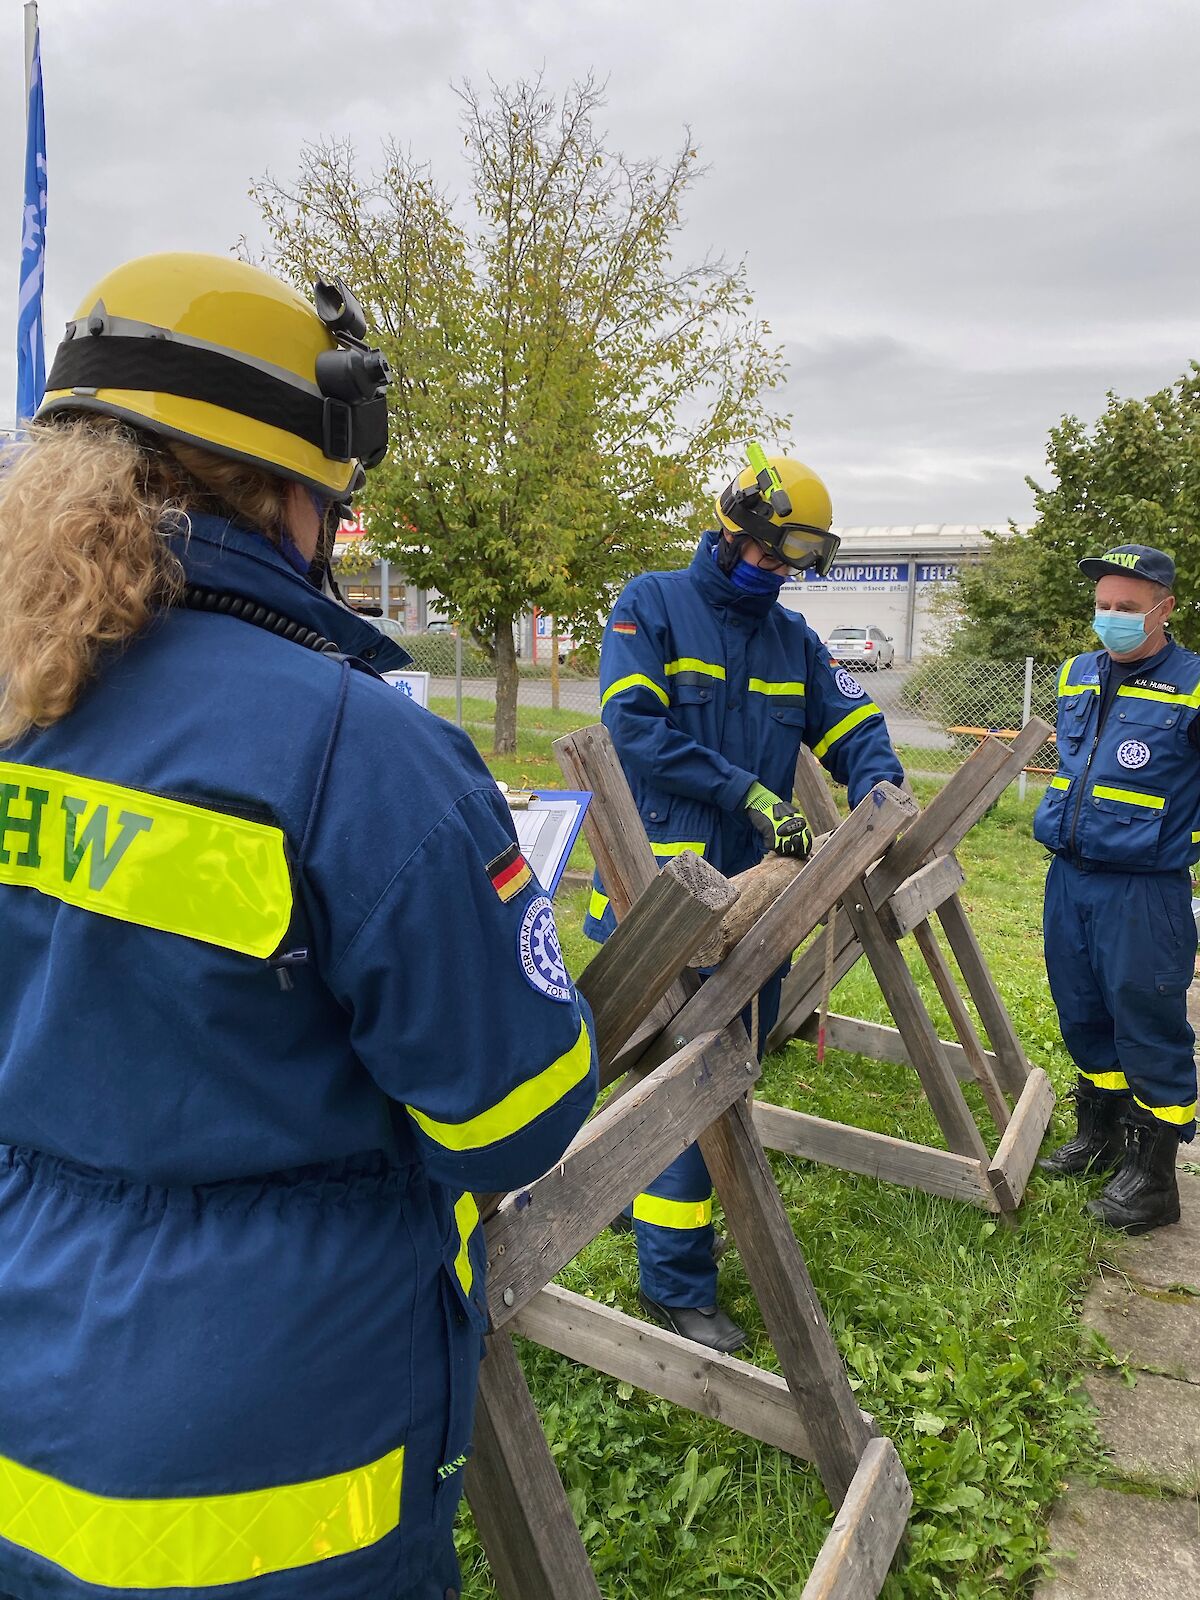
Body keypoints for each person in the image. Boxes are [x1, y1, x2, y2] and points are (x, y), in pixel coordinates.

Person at [0, 253, 598, 1600]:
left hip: (27, 1391)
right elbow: (517, 1115)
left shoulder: (21, 700)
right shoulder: (357, 747)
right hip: (275, 1471)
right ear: (292, 491)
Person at [584, 446, 904, 1352]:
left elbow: (855, 725)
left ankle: (632, 1200)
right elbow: (632, 728)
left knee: (714, 1078)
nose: (776, 577)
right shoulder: (650, 604)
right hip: (657, 900)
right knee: (677, 1082)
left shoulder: (791, 643)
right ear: (731, 528)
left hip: (754, 909)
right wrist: (749, 792)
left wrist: (884, 795)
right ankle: (675, 1284)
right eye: (767, 556)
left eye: (792, 566)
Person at [1035, 543, 1197, 1233]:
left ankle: (1154, 1180)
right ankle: (1099, 1140)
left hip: (1146, 890)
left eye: (1127, 609)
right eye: (1103, 607)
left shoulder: (1192, 683)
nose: (1111, 619)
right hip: (1070, 877)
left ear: (1164, 609)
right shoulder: (1077, 675)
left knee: (1149, 1025)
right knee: (1082, 1013)